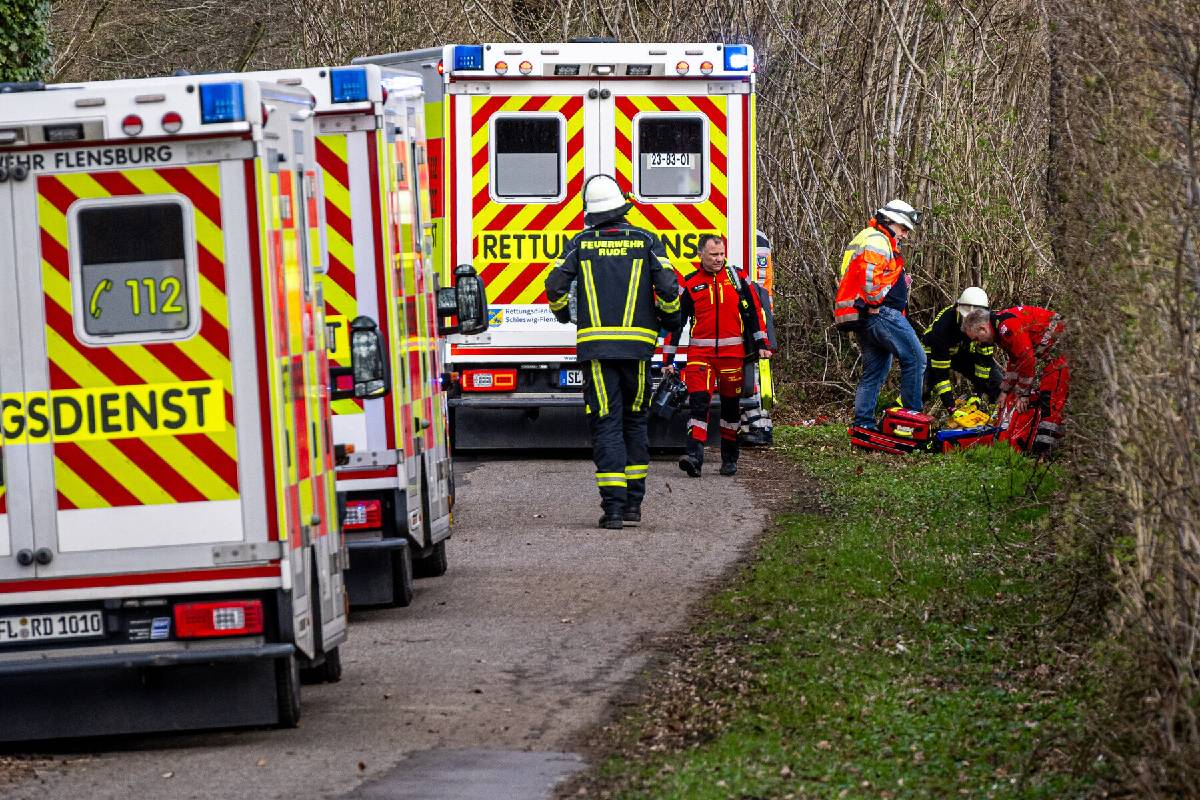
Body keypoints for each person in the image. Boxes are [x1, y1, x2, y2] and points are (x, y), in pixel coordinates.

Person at [544, 175, 680, 529]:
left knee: (606, 424)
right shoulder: (647, 241)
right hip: (637, 352)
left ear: (591, 213)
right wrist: (671, 319)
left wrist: (563, 314)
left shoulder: (581, 243)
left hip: (597, 352)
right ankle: (634, 505)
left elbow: (555, 286)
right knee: (635, 422)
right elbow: (668, 290)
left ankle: (614, 510)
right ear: (621, 207)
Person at [663, 235, 772, 478]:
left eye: (722, 254)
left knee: (731, 411)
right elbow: (675, 325)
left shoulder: (737, 279)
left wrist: (762, 343)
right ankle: (694, 457)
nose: (719, 259)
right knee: (698, 405)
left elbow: (754, 313)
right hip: (700, 357)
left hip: (733, 357)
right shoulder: (690, 284)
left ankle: (729, 458)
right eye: (713, 255)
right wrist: (668, 362)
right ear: (701, 255)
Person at [833, 199, 925, 430]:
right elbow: (869, 277)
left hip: (866, 317)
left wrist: (899, 283)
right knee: (915, 359)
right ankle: (911, 423)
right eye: (903, 228)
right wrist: (874, 300)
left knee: (874, 372)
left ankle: (863, 424)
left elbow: (854, 273)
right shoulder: (878, 240)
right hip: (881, 314)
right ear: (891, 222)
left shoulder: (868, 237)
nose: (904, 235)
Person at [961, 305, 1069, 455]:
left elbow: (1027, 359)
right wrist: (1005, 391)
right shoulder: (1000, 327)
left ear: (982, 329)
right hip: (1059, 352)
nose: (978, 343)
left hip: (1065, 350)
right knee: (1048, 395)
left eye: (976, 339)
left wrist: (1024, 394)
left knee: (1050, 398)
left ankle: (1044, 452)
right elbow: (1014, 362)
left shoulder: (1007, 326)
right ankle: (1050, 447)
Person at [921, 286, 1001, 408]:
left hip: (961, 354)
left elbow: (984, 364)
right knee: (924, 386)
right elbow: (940, 374)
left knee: (996, 382)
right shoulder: (943, 327)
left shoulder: (986, 328)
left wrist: (977, 395)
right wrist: (951, 408)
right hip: (932, 352)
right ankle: (900, 416)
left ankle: (997, 418)